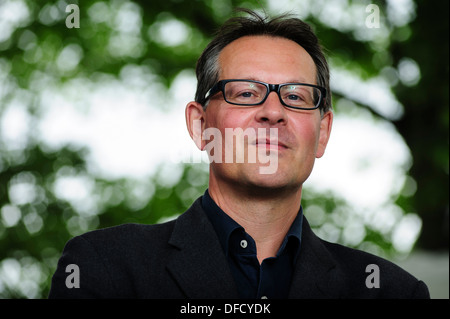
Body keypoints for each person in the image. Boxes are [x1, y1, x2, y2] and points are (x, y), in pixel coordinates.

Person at [49, 9, 430, 299]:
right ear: (200, 126)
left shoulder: (391, 291)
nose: (274, 111)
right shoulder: (105, 270)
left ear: (322, 134)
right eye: (246, 93)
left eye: (295, 96)